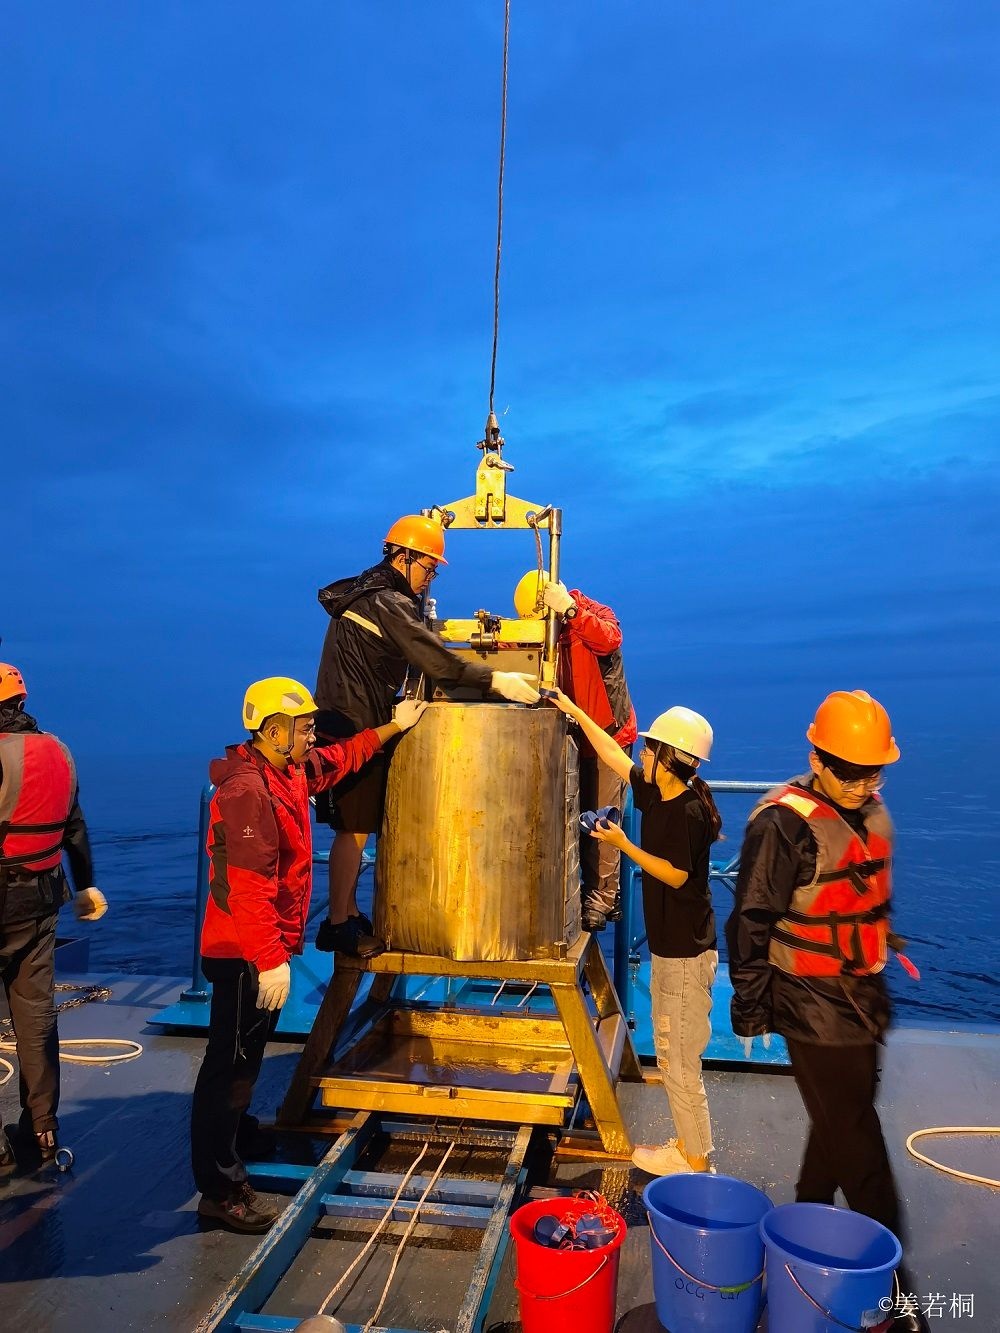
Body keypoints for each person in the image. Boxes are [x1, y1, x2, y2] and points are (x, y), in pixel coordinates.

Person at [190, 676, 428, 1233]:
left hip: (262, 945)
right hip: (242, 951)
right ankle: (220, 1190)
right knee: (229, 1065)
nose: (312, 735)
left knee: (248, 1055)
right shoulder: (247, 791)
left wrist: (393, 727)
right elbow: (247, 887)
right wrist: (268, 959)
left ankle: (237, 1132)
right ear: (274, 731)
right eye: (304, 727)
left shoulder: (289, 771)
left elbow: (339, 760)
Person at [314, 515, 540, 959]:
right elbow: (434, 660)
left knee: (356, 828)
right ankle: (338, 923)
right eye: (429, 567)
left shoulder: (370, 594)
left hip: (351, 717)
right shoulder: (387, 601)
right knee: (353, 830)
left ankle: (350, 912)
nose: (429, 578)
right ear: (403, 556)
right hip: (353, 724)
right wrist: (495, 680)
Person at [727, 690, 909, 1234]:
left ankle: (804, 1216)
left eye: (872, 774)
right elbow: (750, 919)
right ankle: (891, 1268)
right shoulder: (782, 826)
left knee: (840, 1112)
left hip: (863, 991)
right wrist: (751, 1006)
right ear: (817, 760)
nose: (861, 786)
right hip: (810, 1000)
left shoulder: (868, 811)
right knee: (854, 1130)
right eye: (848, 774)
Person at [547, 689, 722, 1175]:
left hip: (686, 953)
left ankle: (694, 1162)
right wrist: (574, 710)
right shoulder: (659, 792)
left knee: (678, 1060)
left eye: (650, 748)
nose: (642, 754)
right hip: (673, 947)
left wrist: (623, 844)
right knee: (672, 1053)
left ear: (670, 758)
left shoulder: (687, 811)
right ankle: (690, 1149)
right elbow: (612, 754)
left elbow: (677, 875)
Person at [0, 663, 106, 1174]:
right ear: (21, 704)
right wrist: (86, 886)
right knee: (36, 1014)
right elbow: (75, 828)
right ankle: (42, 1129)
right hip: (42, 900)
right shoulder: (59, 751)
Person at [514, 570, 637, 932]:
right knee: (573, 818)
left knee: (602, 818)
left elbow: (610, 638)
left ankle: (601, 898)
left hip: (607, 737)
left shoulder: (591, 613)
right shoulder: (542, 632)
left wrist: (570, 611)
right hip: (570, 738)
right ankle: (596, 892)